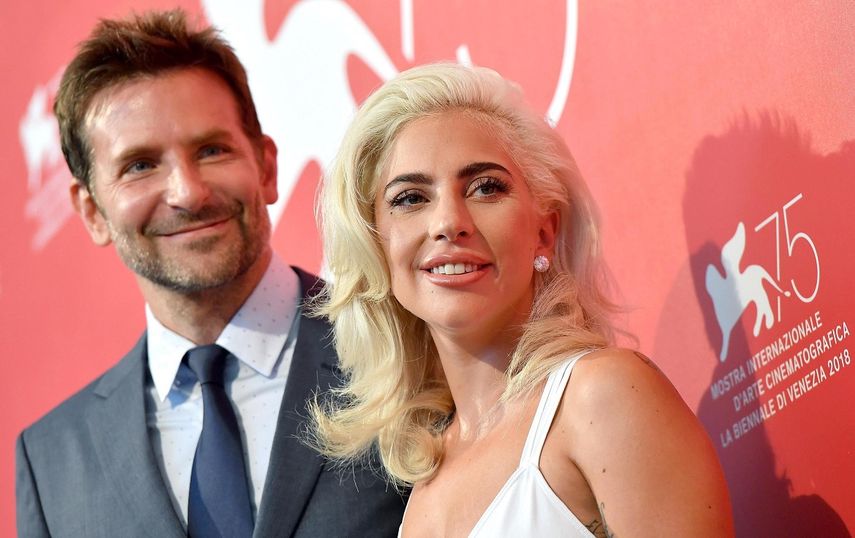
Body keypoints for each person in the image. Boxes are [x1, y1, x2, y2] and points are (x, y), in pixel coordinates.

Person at [15, 10, 405, 537]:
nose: (188, 192)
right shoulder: (52, 461)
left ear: (266, 168)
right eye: (139, 165)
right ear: (91, 212)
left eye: (212, 150)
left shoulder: (406, 350)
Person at [311, 63, 735, 537]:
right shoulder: (421, 483)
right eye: (410, 198)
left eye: (485, 187)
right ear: (376, 249)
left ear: (544, 232)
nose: (449, 221)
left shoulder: (600, 396)